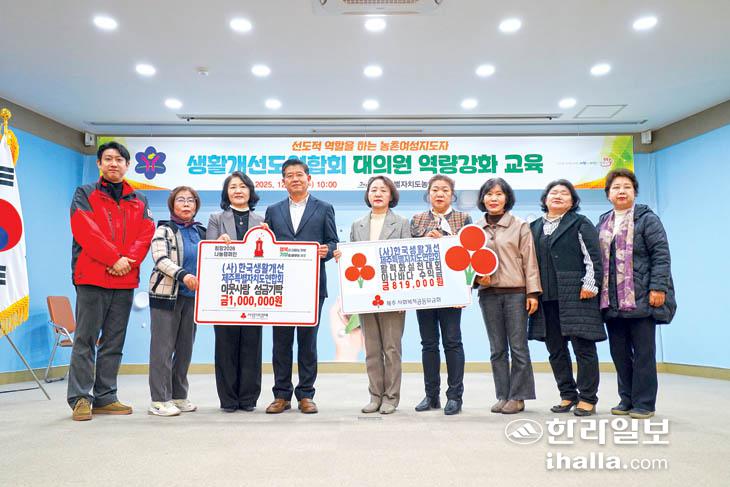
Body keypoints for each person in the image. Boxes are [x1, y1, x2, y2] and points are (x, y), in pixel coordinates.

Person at [67, 141, 155, 421]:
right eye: (108, 158)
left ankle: (106, 397)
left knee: (114, 341)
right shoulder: (85, 193)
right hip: (91, 277)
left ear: (127, 165)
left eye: (119, 159)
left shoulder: (140, 199)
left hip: (124, 280)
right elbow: (85, 229)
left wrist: (127, 261)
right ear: (99, 164)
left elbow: (146, 233)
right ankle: (81, 398)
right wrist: (113, 259)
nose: (113, 163)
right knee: (85, 339)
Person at [597, 169, 676, 419]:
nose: (621, 191)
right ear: (608, 194)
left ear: (634, 192)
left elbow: (661, 255)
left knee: (643, 353)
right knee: (619, 354)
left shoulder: (647, 219)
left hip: (641, 297)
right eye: (616, 187)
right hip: (612, 301)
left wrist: (658, 287)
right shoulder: (603, 221)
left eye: (627, 187)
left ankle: (644, 403)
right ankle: (627, 399)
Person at [264, 158, 338, 414]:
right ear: (283, 181)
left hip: (312, 286)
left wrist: (327, 251)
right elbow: (267, 244)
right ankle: (281, 395)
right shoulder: (273, 210)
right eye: (289, 175)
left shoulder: (324, 208)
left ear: (309, 179)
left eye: (299, 174)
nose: (295, 179)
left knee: (308, 343)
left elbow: (333, 242)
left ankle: (306, 394)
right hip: (280, 287)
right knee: (281, 343)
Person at [527, 179, 606, 416]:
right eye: (553, 192)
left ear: (572, 201)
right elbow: (529, 263)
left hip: (577, 294)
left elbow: (593, 257)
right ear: (545, 199)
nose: (558, 196)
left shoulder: (580, 222)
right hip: (546, 298)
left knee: (583, 348)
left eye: (564, 193)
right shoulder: (534, 227)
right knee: (556, 350)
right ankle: (567, 394)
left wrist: (591, 284)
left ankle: (588, 398)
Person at [333, 176, 411, 414]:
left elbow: (408, 259)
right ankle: (375, 396)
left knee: (392, 349)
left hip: (392, 294)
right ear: (367, 194)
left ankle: (391, 398)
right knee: (372, 349)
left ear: (391, 195)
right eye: (373, 190)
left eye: (383, 190)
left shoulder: (401, 223)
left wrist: (404, 296)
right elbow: (352, 259)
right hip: (365, 295)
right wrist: (341, 257)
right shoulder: (357, 224)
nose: (377, 194)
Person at [475, 177, 541, 415]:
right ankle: (503, 395)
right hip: (488, 295)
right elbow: (468, 263)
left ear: (507, 198)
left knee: (518, 347)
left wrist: (532, 292)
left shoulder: (520, 225)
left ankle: (518, 396)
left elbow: (530, 260)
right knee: (497, 349)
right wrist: (476, 279)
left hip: (516, 294)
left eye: (499, 194)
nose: (494, 198)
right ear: (483, 199)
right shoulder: (475, 229)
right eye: (489, 194)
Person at [410, 175, 472, 415]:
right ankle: (431, 395)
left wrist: (446, 240)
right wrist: (425, 240)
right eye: (435, 189)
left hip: (452, 291)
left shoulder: (463, 219)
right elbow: (408, 251)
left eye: (445, 190)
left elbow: (469, 252)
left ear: (452, 195)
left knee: (452, 342)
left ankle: (455, 396)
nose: (439, 194)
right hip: (424, 290)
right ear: (428, 194)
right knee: (428, 343)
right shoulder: (417, 219)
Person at [206, 172, 265, 412]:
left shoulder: (262, 221)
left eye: (242, 186)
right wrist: (217, 243)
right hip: (225, 292)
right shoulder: (216, 218)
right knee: (225, 346)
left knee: (252, 345)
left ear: (250, 191)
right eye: (233, 187)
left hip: (255, 293)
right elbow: (208, 253)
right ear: (226, 192)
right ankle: (228, 399)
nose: (238, 190)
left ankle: (249, 399)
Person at [147, 186, 206, 416]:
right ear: (172, 205)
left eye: (191, 200)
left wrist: (222, 242)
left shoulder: (200, 231)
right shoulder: (164, 229)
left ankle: (179, 396)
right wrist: (183, 275)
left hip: (192, 298)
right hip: (166, 296)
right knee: (162, 349)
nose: (186, 204)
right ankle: (159, 400)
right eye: (181, 200)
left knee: (184, 349)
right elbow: (160, 259)